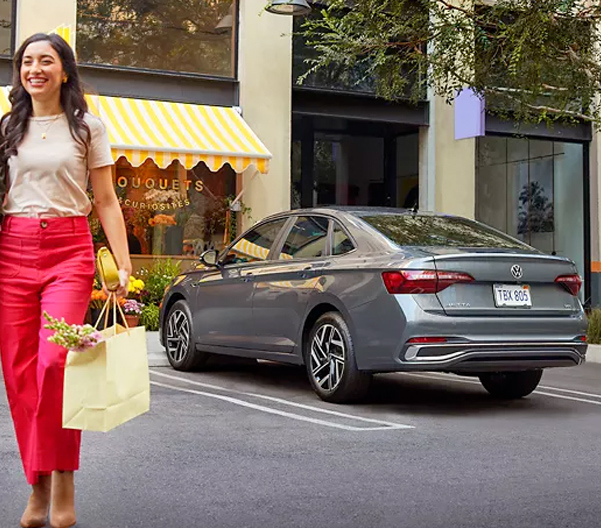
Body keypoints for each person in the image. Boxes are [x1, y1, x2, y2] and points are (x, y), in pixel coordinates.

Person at [0, 33, 131, 528]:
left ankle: (64, 479)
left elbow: (105, 200)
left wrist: (122, 262)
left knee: (56, 365)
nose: (35, 69)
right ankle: (37, 489)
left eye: (45, 61)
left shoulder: (87, 128)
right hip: (11, 249)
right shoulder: (8, 127)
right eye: (26, 61)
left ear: (64, 70)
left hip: (68, 253)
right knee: (20, 377)